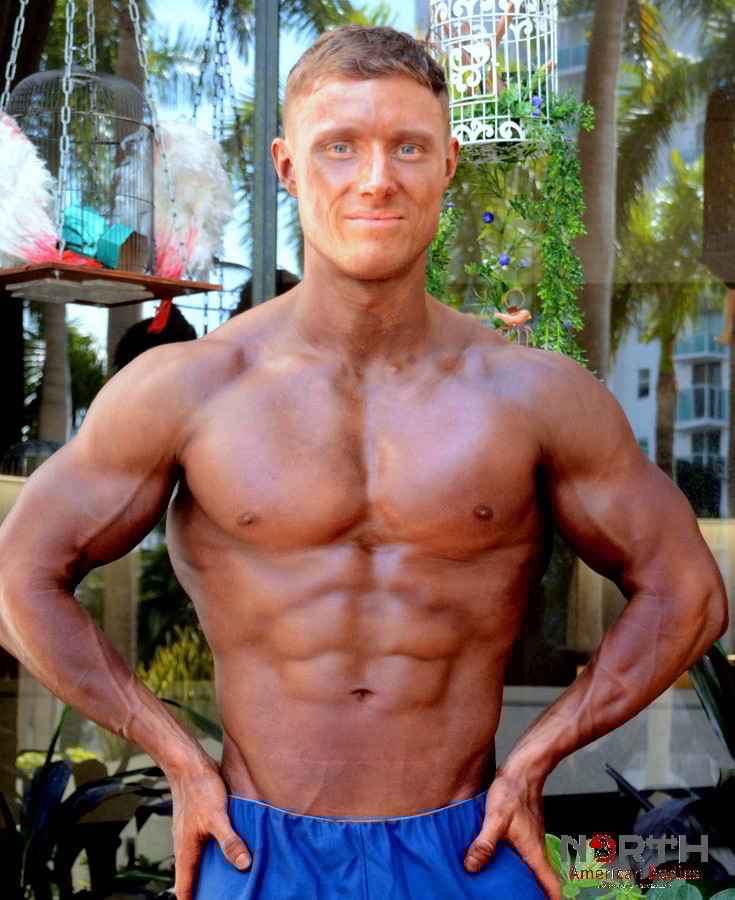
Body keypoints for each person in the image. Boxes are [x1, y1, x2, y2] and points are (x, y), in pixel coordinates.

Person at [0, 24, 728, 900]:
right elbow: (17, 578)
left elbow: (687, 594)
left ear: (447, 165)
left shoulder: (536, 396)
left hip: (468, 842)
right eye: (339, 146)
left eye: (407, 147)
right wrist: (177, 757)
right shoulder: (187, 389)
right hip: (252, 846)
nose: (376, 178)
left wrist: (537, 755)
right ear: (286, 166)